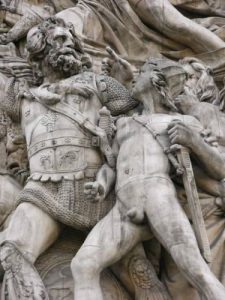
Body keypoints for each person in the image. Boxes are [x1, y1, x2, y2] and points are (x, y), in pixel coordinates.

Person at [0, 16, 141, 298]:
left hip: (102, 192)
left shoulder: (101, 83)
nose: (70, 46)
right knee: (10, 252)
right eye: (60, 40)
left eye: (71, 40)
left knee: (141, 276)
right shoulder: (21, 97)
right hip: (43, 191)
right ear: (39, 48)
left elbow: (138, 123)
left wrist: (131, 82)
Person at [71, 58, 225, 300]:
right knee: (83, 265)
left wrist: (193, 141)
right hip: (124, 206)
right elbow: (111, 166)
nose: (135, 75)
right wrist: (102, 184)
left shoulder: (185, 122)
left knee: (197, 271)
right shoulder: (123, 124)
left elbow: (220, 168)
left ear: (155, 80)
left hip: (159, 197)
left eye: (141, 71)